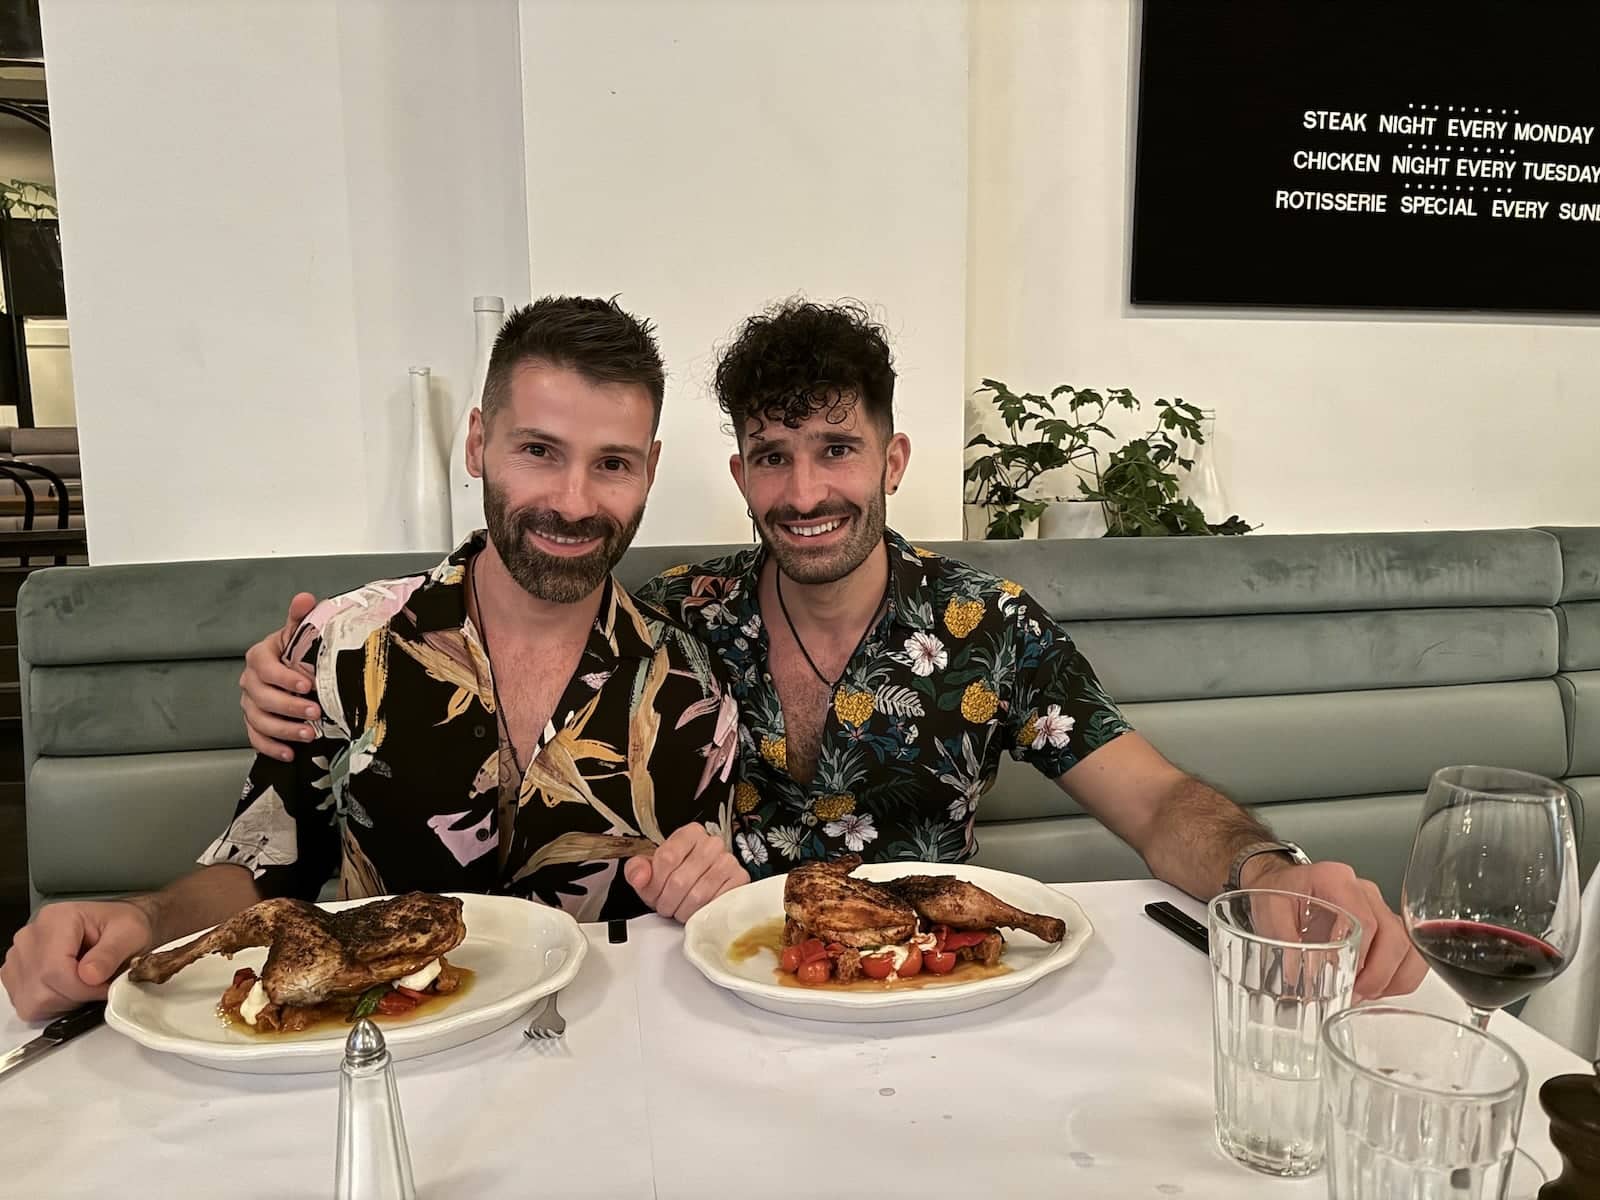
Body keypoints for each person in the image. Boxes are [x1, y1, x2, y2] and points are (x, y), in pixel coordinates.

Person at [235, 299, 1425, 1002]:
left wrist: (1270, 876)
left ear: (893, 460)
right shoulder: (680, 620)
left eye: (837, 451)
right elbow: (528, 603)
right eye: (770, 455)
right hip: (723, 999)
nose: (804, 492)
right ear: (737, 467)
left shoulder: (991, 630)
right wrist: (303, 658)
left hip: (942, 999)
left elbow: (1159, 801)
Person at [2, 296, 746, 1022]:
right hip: (375, 1054)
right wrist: (142, 918)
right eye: (539, 451)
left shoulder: (693, 690)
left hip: (604, 1059)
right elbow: (261, 869)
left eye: (611, 463)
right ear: (479, 441)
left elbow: (697, 911)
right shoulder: (341, 646)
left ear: (648, 468)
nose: (574, 501)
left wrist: (710, 891)